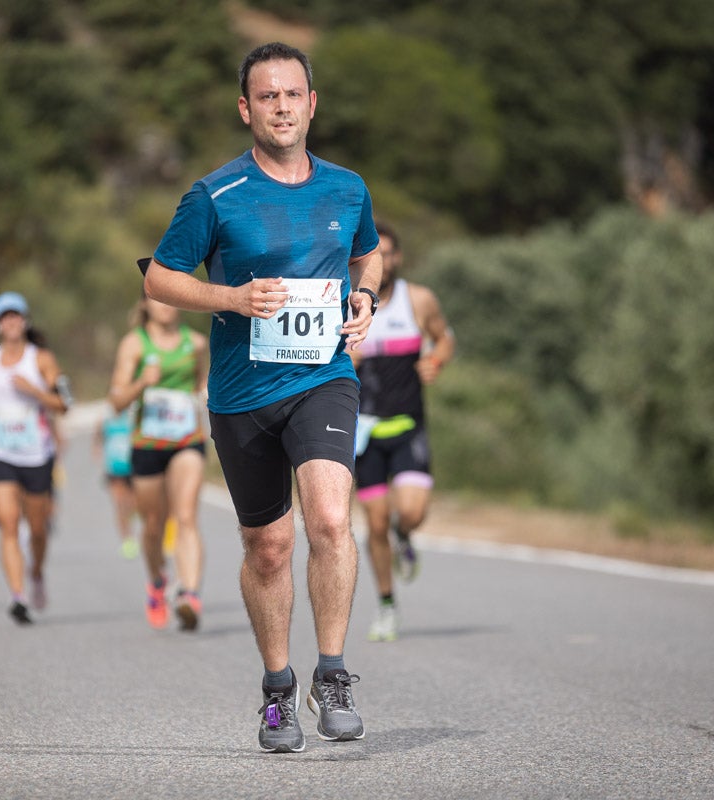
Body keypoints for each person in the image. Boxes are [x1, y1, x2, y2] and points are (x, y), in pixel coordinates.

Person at [142, 42, 382, 753]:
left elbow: (369, 251)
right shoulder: (214, 195)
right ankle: (278, 692)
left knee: (331, 521)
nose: (282, 107)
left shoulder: (347, 188)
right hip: (242, 392)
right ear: (246, 108)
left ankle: (332, 677)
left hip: (323, 378)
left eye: (293, 94)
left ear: (313, 104)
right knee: (269, 546)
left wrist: (365, 294)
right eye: (267, 96)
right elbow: (158, 278)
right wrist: (232, 297)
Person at [351, 221, 455, 642]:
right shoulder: (346, 304)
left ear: (398, 258)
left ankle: (405, 534)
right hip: (363, 433)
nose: (384, 261)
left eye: (389, 254)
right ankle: (387, 606)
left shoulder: (418, 300)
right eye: (375, 254)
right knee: (374, 524)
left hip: (409, 426)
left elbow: (444, 338)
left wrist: (436, 360)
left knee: (410, 512)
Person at [108, 291, 209, 631]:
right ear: (145, 305)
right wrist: (141, 383)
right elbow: (117, 402)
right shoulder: (134, 345)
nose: (166, 305)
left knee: (186, 516)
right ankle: (156, 582)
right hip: (148, 444)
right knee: (152, 525)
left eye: (171, 298)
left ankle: (190, 594)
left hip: (186, 441)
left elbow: (202, 387)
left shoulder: (195, 343)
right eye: (158, 298)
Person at [0, 292, 69, 625]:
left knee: (37, 529)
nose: (11, 322)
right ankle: (17, 595)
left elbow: (63, 404)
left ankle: (36, 573)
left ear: (25, 320)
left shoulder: (42, 359)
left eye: (16, 315)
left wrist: (35, 391)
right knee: (8, 523)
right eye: (5, 316)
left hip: (37, 454)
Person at [94, 404, 140, 560]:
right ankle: (127, 540)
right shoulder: (106, 415)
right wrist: (98, 449)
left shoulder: (135, 412)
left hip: (133, 466)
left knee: (134, 504)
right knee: (119, 504)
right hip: (114, 467)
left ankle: (132, 517)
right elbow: (98, 435)